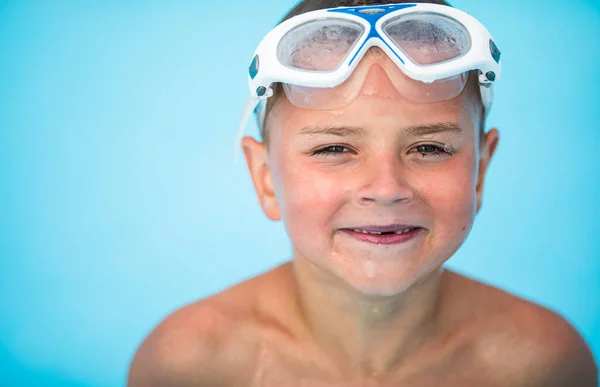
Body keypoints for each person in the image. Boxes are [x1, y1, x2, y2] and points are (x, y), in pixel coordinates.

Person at [128, 1, 598, 385]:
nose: (386, 188)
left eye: (430, 147)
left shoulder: (541, 364)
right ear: (265, 177)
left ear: (480, 171)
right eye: (335, 147)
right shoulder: (191, 364)